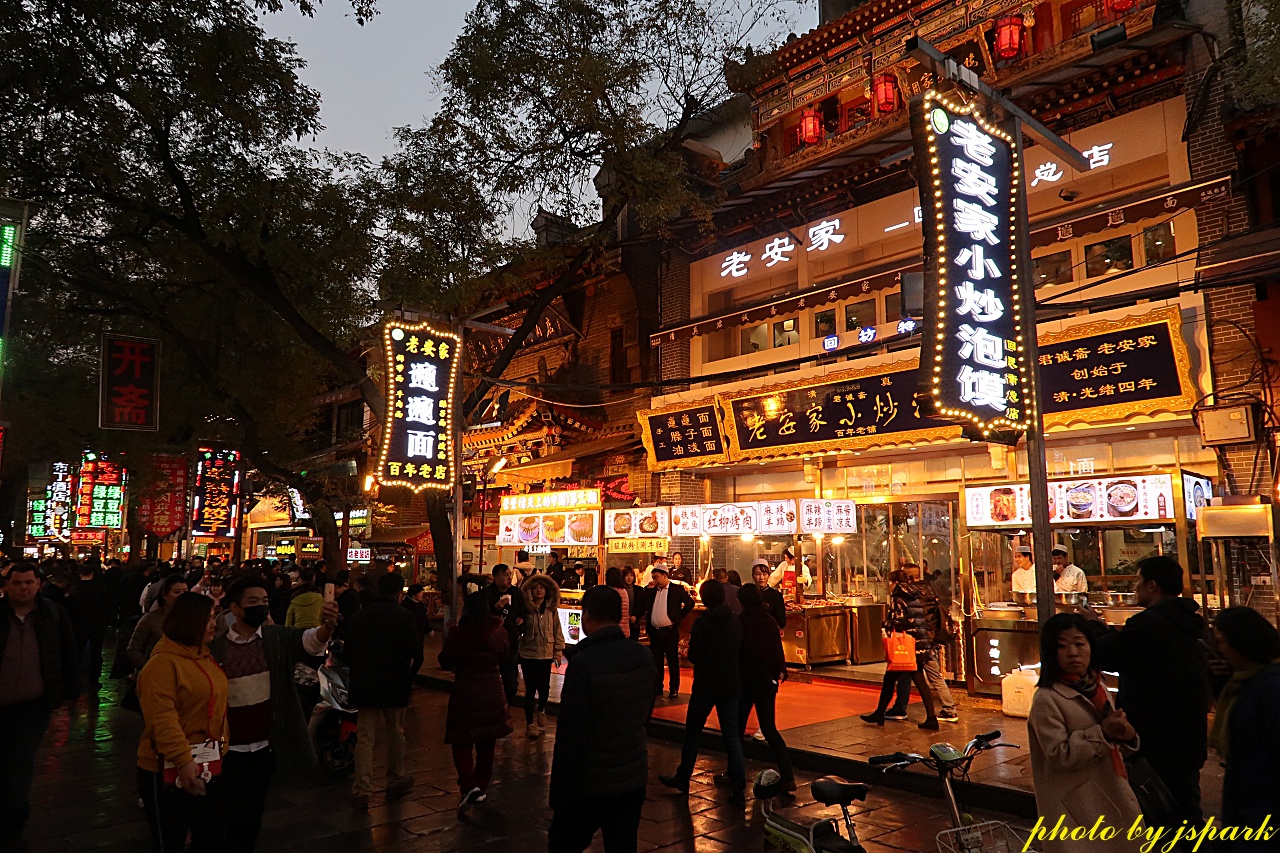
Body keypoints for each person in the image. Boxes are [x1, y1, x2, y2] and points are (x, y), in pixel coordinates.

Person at [209, 576, 337, 847]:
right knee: (227, 814)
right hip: (228, 749)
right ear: (235, 608)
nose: (261, 606)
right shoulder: (216, 648)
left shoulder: (276, 638)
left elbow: (309, 641)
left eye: (264, 601)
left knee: (254, 812)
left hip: (264, 746)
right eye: (253, 601)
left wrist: (327, 626)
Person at [1085, 556, 1210, 828]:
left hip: (1158, 740)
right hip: (1187, 736)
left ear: (1152, 585)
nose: (1135, 586)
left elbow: (1108, 654)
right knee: (1186, 808)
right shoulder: (1185, 620)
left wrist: (1091, 626)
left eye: (1138, 580)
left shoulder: (1150, 624)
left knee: (1162, 814)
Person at [548, 585, 655, 853]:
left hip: (591, 781)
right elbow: (646, 714)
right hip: (632, 774)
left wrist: (560, 791)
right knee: (623, 844)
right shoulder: (643, 656)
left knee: (564, 844)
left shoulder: (584, 662)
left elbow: (572, 732)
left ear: (587, 615)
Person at [1028, 613, 1142, 853]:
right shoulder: (1047, 699)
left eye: (1079, 643)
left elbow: (1113, 745)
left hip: (1111, 795)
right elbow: (1059, 755)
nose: (1073, 653)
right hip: (1077, 810)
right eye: (1062, 646)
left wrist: (1127, 735)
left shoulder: (1097, 687)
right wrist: (1103, 733)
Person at [136, 593, 230, 853]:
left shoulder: (204, 655)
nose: (214, 624)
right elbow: (162, 718)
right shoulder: (162, 664)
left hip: (207, 762)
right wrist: (183, 759)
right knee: (171, 842)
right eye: (208, 618)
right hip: (167, 768)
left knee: (210, 838)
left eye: (214, 617)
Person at [0, 564, 79, 853]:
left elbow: (67, 651)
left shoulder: (53, 614)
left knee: (19, 765)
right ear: (6, 586)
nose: (23, 587)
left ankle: (11, 828)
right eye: (17, 582)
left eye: (28, 582)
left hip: (33, 708)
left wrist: (69, 692)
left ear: (38, 584)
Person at [659, 579, 747, 804]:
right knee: (732, 735)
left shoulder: (702, 623)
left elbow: (694, 655)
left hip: (706, 684)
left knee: (693, 732)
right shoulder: (735, 621)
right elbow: (740, 649)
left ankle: (683, 777)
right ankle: (739, 785)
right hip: (731, 683)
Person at [344, 572, 423, 810]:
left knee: (365, 737)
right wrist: (408, 677)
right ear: (399, 593)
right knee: (395, 731)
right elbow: (417, 653)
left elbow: (348, 652)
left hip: (365, 683)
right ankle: (395, 777)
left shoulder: (360, 616)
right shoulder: (405, 616)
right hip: (395, 682)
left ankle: (361, 788)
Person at [1208, 606, 1280, 850]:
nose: (1220, 650)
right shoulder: (1245, 681)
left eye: (1222, 642)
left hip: (1264, 805)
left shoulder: (1270, 686)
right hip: (1252, 799)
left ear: (1243, 643)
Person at [438, 591, 513, 814]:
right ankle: (481, 785)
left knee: (461, 740)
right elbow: (505, 655)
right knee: (487, 741)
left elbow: (445, 660)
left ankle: (469, 784)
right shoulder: (499, 632)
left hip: (465, 691)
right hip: (491, 690)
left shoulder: (459, 634)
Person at [860, 565, 939, 729]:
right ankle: (881, 713)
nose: (889, 585)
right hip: (917, 644)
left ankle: (881, 713)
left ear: (895, 582)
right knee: (907, 680)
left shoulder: (899, 597)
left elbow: (899, 620)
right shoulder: (914, 595)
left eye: (890, 582)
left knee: (894, 680)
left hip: (905, 647)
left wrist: (886, 623)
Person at [736, 583, 795, 791]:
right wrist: (780, 670)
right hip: (766, 680)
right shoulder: (769, 620)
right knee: (769, 728)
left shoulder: (742, 622)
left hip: (746, 680)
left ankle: (735, 773)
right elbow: (776, 649)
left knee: (737, 728)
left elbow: (739, 651)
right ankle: (787, 776)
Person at [518, 573, 564, 738]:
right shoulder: (525, 610)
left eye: (542, 588)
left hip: (545, 653)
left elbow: (557, 630)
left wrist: (558, 651)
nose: (538, 590)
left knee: (544, 688)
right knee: (530, 688)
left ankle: (541, 708)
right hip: (528, 653)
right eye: (535, 588)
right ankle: (529, 724)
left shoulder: (551, 610)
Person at [638, 563, 694, 699]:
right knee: (657, 660)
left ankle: (674, 688)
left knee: (672, 660)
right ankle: (658, 686)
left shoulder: (676, 589)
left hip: (670, 631)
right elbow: (642, 601)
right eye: (653, 577)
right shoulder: (652, 590)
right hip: (655, 631)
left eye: (656, 577)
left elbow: (690, 603)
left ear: (664, 576)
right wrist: (648, 588)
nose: (655, 580)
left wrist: (678, 617)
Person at [484, 564, 527, 707]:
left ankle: (506, 706)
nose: (509, 577)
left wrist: (521, 623)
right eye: (505, 575)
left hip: (511, 642)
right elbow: (482, 616)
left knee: (511, 682)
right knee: (491, 679)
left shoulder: (516, 593)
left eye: (510, 574)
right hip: (491, 643)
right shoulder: (487, 594)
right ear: (496, 577)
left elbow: (523, 613)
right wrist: (495, 608)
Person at [65, 562, 111, 691]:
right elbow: (106, 607)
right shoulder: (99, 589)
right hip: (96, 624)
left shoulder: (73, 590)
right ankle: (94, 681)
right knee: (96, 653)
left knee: (77, 652)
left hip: (78, 625)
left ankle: (74, 681)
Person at [127, 574, 189, 668]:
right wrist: (148, 667)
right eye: (177, 592)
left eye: (185, 591)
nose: (182, 595)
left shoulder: (191, 617)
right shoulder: (151, 619)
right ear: (165, 595)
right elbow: (133, 649)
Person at [752, 559, 787, 628]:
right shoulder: (749, 594)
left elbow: (781, 621)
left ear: (769, 576)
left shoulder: (776, 595)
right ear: (753, 576)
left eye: (764, 574)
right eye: (758, 574)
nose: (761, 577)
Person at [622, 567, 640, 640]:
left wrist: (636, 616)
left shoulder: (638, 590)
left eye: (631, 575)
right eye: (627, 575)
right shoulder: (620, 590)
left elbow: (641, 606)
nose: (629, 578)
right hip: (622, 624)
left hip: (634, 623)